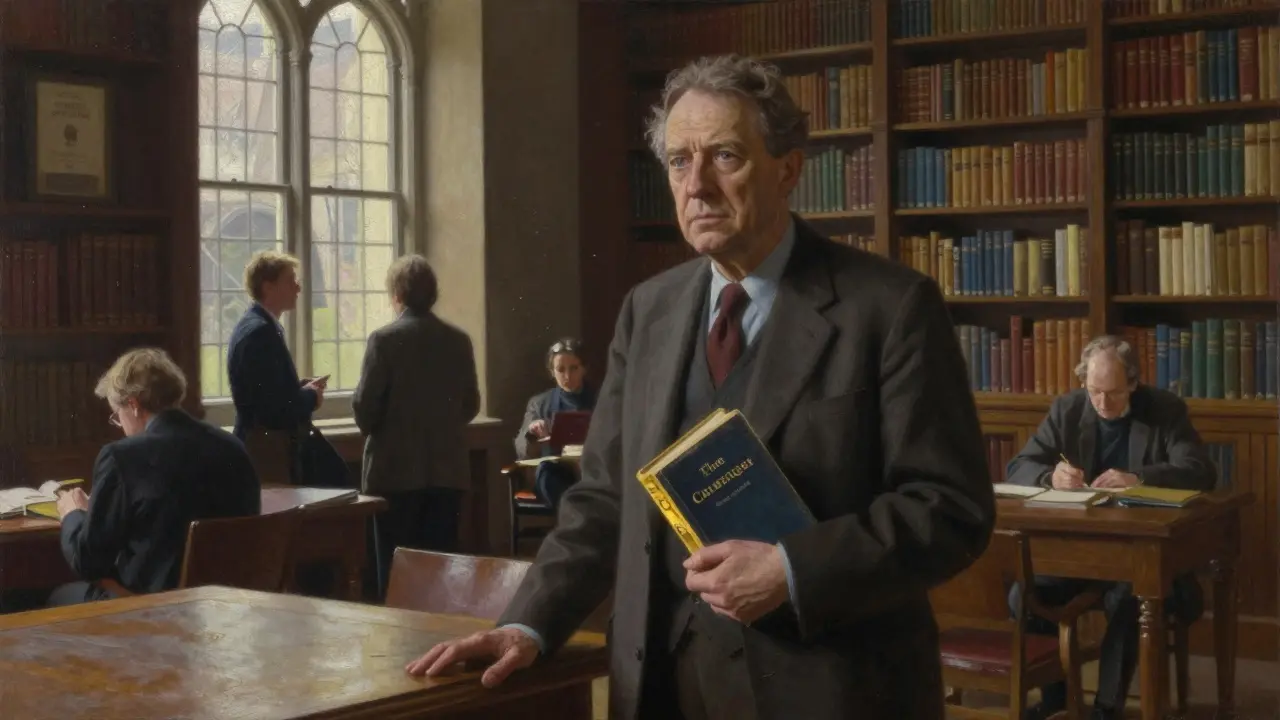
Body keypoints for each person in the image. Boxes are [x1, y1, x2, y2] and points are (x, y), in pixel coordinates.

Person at [406, 54, 994, 720]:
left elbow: (949, 508)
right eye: (679, 162)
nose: (697, 186)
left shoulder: (890, 307)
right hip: (660, 684)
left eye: (725, 157)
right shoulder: (647, 309)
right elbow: (603, 499)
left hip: (830, 688)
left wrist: (791, 570)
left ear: (788, 170)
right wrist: (528, 623)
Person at [1005, 335, 1216, 720]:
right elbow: (1018, 466)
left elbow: (1199, 471)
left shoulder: (1164, 409)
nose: (1102, 403)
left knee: (1129, 596)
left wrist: (1139, 478)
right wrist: (1051, 477)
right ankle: (1056, 696)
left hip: (1143, 557)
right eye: (1094, 391)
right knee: (1024, 593)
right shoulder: (1069, 408)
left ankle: (1106, 709)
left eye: (1114, 393)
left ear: (1133, 383)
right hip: (1082, 553)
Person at [49, 348, 260, 607]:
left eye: (117, 416)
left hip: (155, 610)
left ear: (134, 405)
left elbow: (87, 562)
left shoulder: (122, 457)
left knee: (54, 597)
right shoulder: (233, 447)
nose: (121, 426)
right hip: (226, 607)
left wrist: (73, 514)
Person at [352, 254, 480, 599]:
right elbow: (470, 404)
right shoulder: (458, 340)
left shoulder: (384, 340)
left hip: (394, 474)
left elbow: (365, 410)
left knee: (395, 576)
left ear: (397, 294)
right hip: (448, 472)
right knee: (439, 575)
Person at [226, 250, 336, 485]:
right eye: (290, 280)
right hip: (266, 447)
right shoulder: (260, 332)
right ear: (268, 287)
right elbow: (273, 408)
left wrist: (298, 388)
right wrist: (311, 397)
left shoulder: (257, 325)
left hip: (262, 441)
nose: (298, 288)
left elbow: (268, 391)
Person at [514, 337, 596, 508]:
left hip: (591, 469)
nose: (567, 376)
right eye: (560, 369)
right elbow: (521, 448)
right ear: (552, 371)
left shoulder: (601, 400)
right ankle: (573, 514)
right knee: (546, 473)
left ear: (584, 369)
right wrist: (532, 432)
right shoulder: (539, 403)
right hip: (555, 472)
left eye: (574, 368)